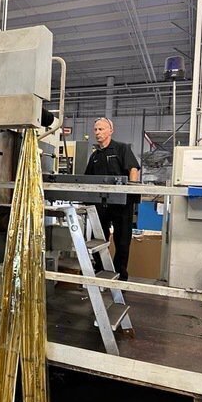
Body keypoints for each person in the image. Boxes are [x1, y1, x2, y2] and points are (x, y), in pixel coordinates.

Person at [84, 117, 140, 281]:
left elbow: (133, 169)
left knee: (122, 241)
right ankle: (101, 271)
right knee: (99, 238)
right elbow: (87, 178)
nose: (97, 133)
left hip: (122, 203)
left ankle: (120, 275)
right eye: (95, 130)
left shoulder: (122, 148)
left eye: (101, 129)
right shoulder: (95, 156)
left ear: (110, 131)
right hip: (101, 204)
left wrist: (130, 191)